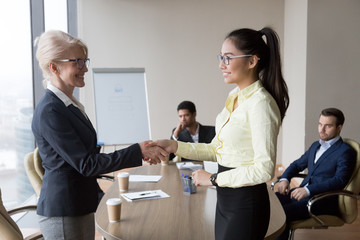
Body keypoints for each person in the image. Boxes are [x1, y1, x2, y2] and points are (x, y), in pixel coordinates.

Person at [151, 27, 289, 240]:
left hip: (246, 202)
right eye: (221, 57)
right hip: (227, 199)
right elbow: (217, 149)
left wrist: (213, 178)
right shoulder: (235, 96)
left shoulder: (261, 104)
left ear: (252, 61)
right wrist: (175, 146)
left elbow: (264, 170)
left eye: (228, 58)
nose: (221, 65)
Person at [31, 30, 168, 240]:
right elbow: (86, 164)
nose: (85, 68)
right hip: (64, 211)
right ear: (54, 67)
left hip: (79, 204)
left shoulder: (68, 105)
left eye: (84, 61)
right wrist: (137, 150)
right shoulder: (51, 111)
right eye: (77, 62)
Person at [275, 108, 356, 240]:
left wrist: (308, 190)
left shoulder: (345, 151)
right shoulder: (315, 146)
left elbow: (340, 180)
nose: (321, 129)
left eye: (328, 126)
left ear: (339, 127)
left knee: (281, 215)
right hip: (302, 195)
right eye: (320, 124)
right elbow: (297, 165)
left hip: (322, 201)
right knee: (270, 204)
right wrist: (285, 178)